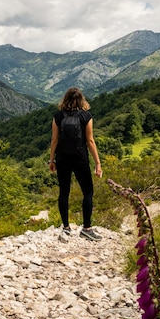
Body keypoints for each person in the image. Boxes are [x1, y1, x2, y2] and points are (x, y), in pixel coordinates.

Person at [48, 87, 103, 241]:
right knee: (87, 192)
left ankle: (65, 227)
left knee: (64, 192)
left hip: (63, 158)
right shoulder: (86, 116)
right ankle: (86, 228)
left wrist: (52, 160)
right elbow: (90, 141)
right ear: (82, 100)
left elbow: (54, 140)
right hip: (80, 158)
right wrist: (98, 163)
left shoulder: (58, 116)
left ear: (65, 100)